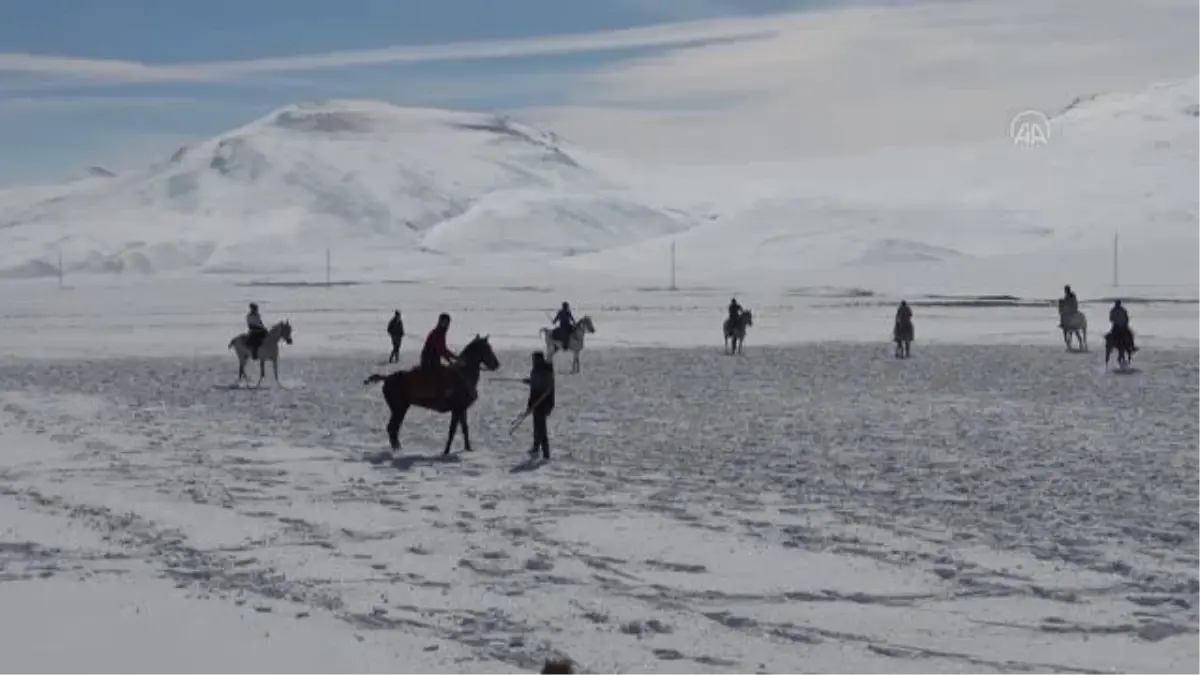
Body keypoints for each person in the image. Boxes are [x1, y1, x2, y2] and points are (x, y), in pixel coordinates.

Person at [522, 351, 555, 460]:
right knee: (537, 426)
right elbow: (536, 384)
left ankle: (546, 453)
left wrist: (534, 403)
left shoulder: (545, 371)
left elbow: (545, 386)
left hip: (543, 402)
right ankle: (536, 447)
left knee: (541, 428)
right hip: (536, 402)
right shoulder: (537, 371)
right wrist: (530, 381)